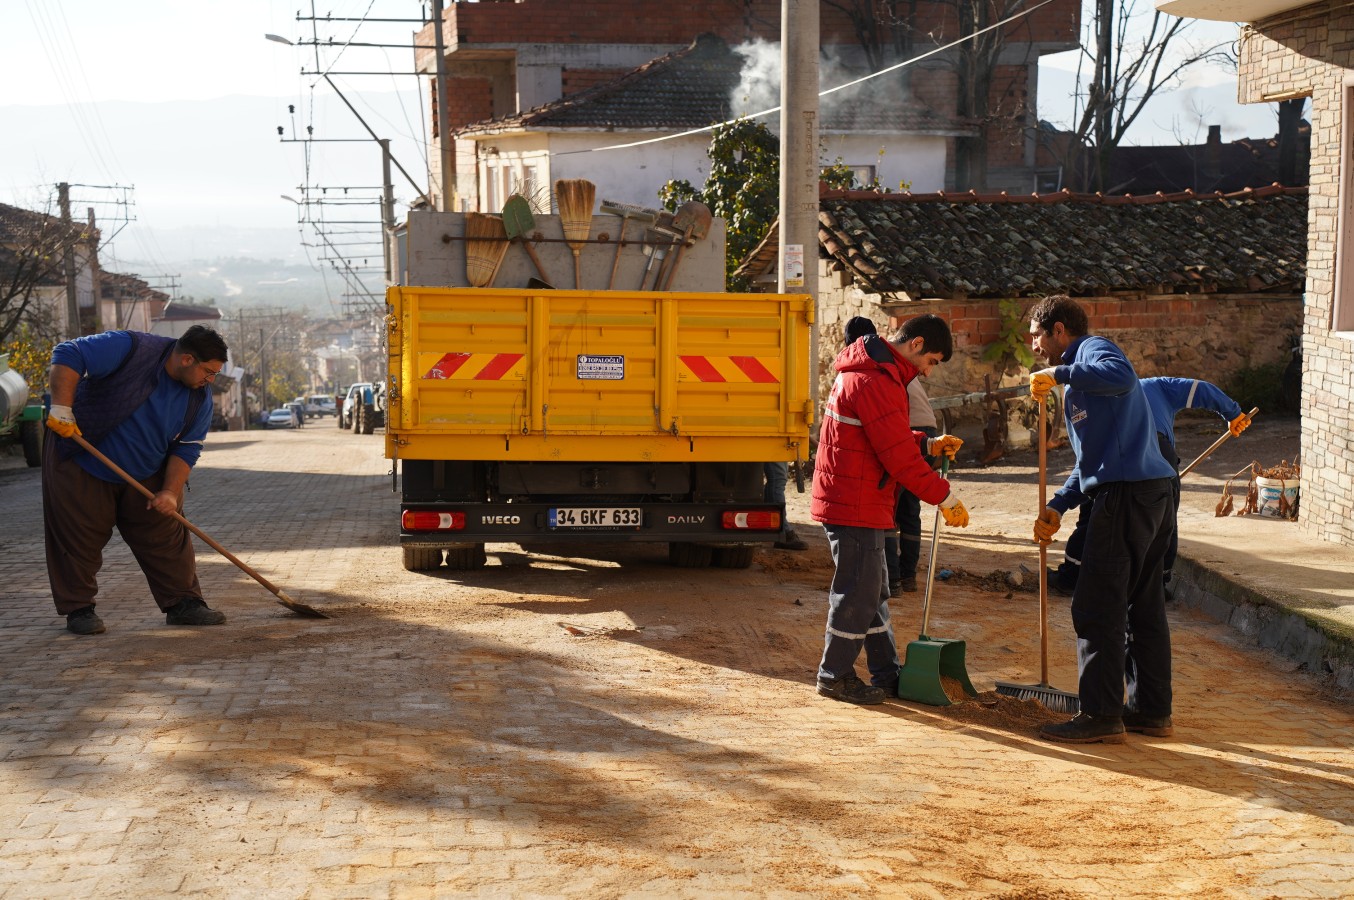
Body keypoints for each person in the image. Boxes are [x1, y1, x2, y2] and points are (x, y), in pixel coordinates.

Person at [1027, 295, 1178, 743]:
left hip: (1128, 498)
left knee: (1096, 604)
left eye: (1037, 337)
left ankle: (1102, 715)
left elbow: (1123, 375)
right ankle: (1151, 710)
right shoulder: (1079, 386)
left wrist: (1058, 373)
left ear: (1058, 331)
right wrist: (1058, 505)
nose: (1034, 348)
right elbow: (1090, 460)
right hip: (1146, 495)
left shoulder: (1093, 353)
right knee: (1143, 605)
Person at [811, 313, 969, 705]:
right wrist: (944, 497)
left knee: (873, 591)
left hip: (860, 498)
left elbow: (887, 437)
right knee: (858, 594)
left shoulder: (878, 373)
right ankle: (834, 675)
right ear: (915, 345)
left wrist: (927, 445)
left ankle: (885, 673)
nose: (929, 372)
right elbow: (896, 458)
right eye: (931, 360)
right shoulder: (874, 378)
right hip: (854, 502)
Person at [43, 325, 230, 635]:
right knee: (76, 536)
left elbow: (186, 449)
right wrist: (61, 408)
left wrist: (169, 492)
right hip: (83, 457)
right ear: (186, 359)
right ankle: (79, 609)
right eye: (208, 372)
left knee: (167, 533)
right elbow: (68, 352)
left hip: (146, 469)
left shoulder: (199, 399)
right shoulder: (130, 347)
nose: (209, 381)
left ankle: (183, 603)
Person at [1051, 377, 1251, 595]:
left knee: (1093, 513)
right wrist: (1233, 413)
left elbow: (1087, 464)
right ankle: (1157, 587)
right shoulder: (1158, 385)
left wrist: (1058, 505)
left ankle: (1073, 576)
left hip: (1117, 458)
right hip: (1160, 459)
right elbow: (1199, 389)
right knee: (1163, 524)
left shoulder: (1101, 398)